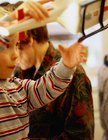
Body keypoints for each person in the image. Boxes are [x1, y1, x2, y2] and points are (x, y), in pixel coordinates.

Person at [0, 1, 86, 140]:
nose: (15, 54)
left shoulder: (18, 88)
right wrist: (11, 19)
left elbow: (46, 87)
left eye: (16, 45)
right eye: (6, 45)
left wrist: (65, 66)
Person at [14, 25, 94, 139]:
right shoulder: (20, 72)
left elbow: (81, 135)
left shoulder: (73, 74)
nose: (15, 58)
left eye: (16, 48)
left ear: (29, 40)